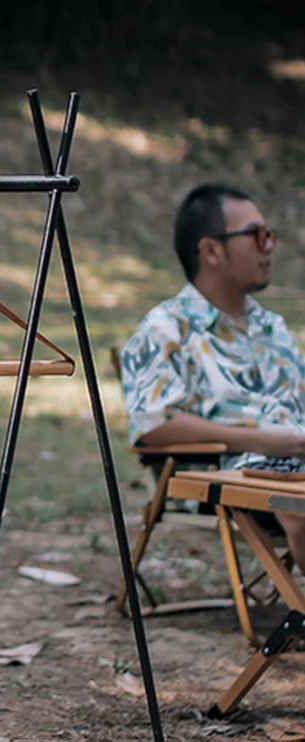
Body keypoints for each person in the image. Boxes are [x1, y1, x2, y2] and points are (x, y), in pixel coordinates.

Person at [119, 182, 305, 568]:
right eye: (256, 235)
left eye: (268, 234)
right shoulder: (167, 329)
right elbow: (154, 423)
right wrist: (267, 442)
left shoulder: (273, 328)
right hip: (230, 477)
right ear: (211, 250)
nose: (268, 245)